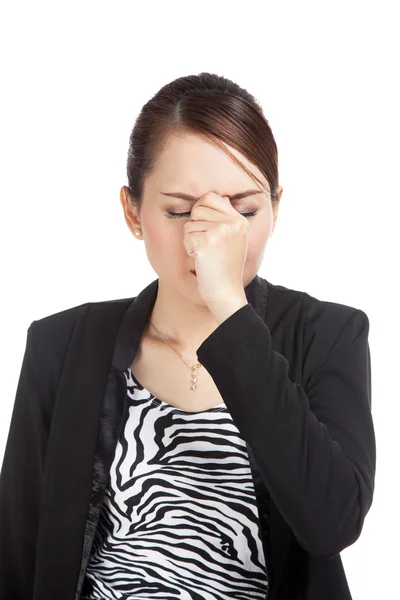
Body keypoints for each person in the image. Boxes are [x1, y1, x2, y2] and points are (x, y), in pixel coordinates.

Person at [0, 72, 376, 600]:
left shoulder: (327, 334)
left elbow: (333, 523)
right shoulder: (60, 346)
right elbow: (17, 556)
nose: (209, 239)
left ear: (276, 207)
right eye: (179, 211)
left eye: (242, 211)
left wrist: (229, 306)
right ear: (132, 211)